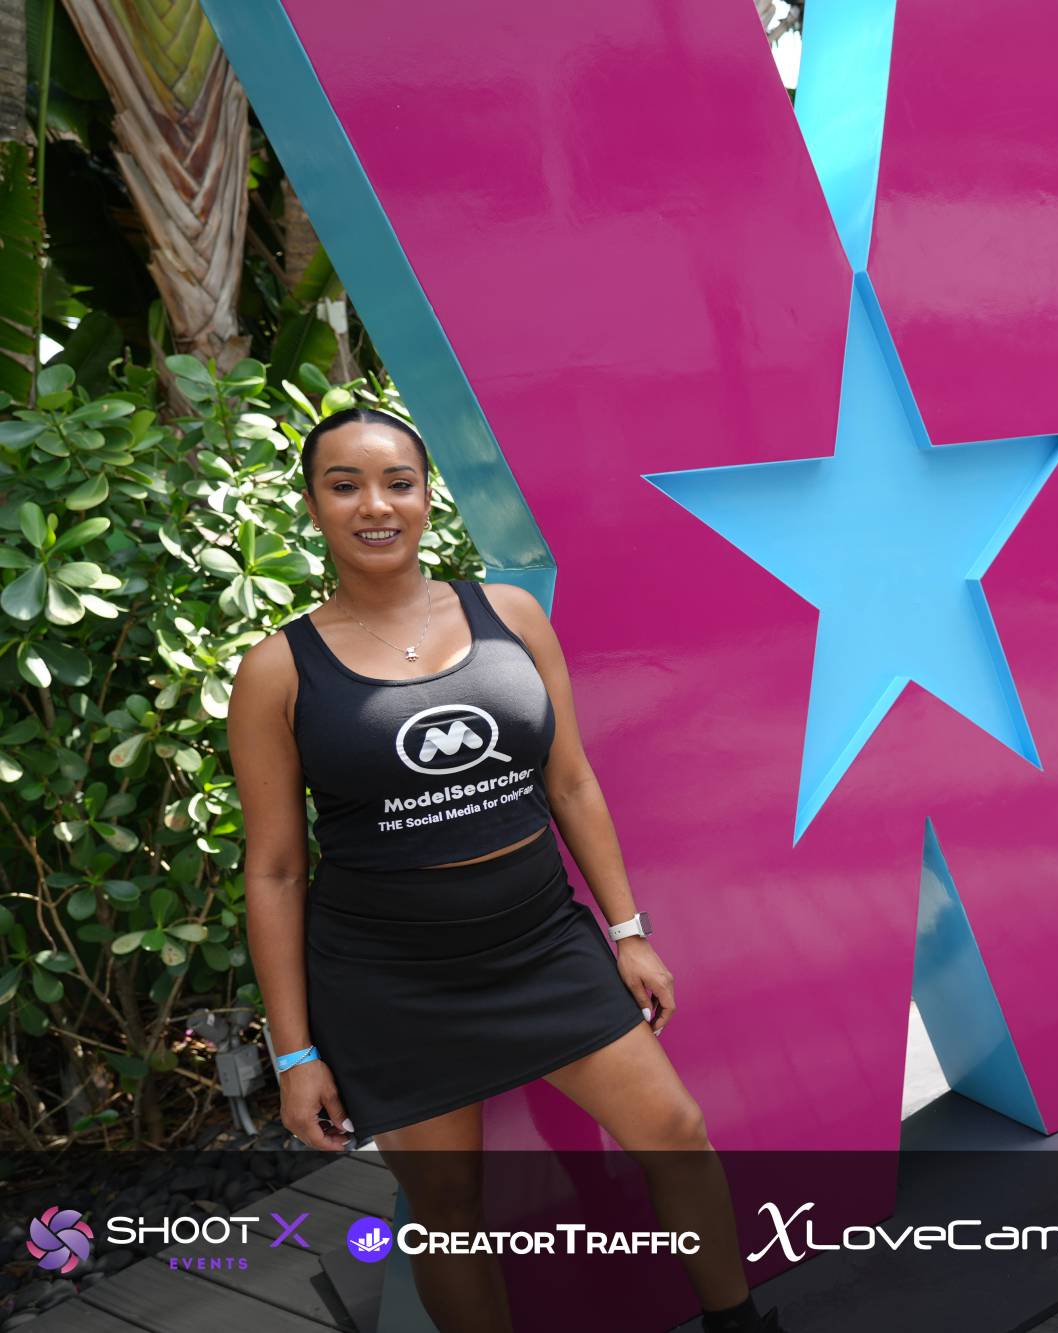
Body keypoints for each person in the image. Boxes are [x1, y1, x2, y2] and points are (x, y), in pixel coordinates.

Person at [227, 408, 783, 1333]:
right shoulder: (278, 671)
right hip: (391, 981)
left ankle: (741, 1326)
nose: (376, 505)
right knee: (449, 1214)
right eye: (345, 485)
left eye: (398, 482)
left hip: (541, 945)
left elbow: (571, 781)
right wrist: (295, 1054)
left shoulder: (510, 616)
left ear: (427, 494)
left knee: (675, 1133)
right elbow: (277, 871)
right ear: (314, 506)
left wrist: (628, 932)